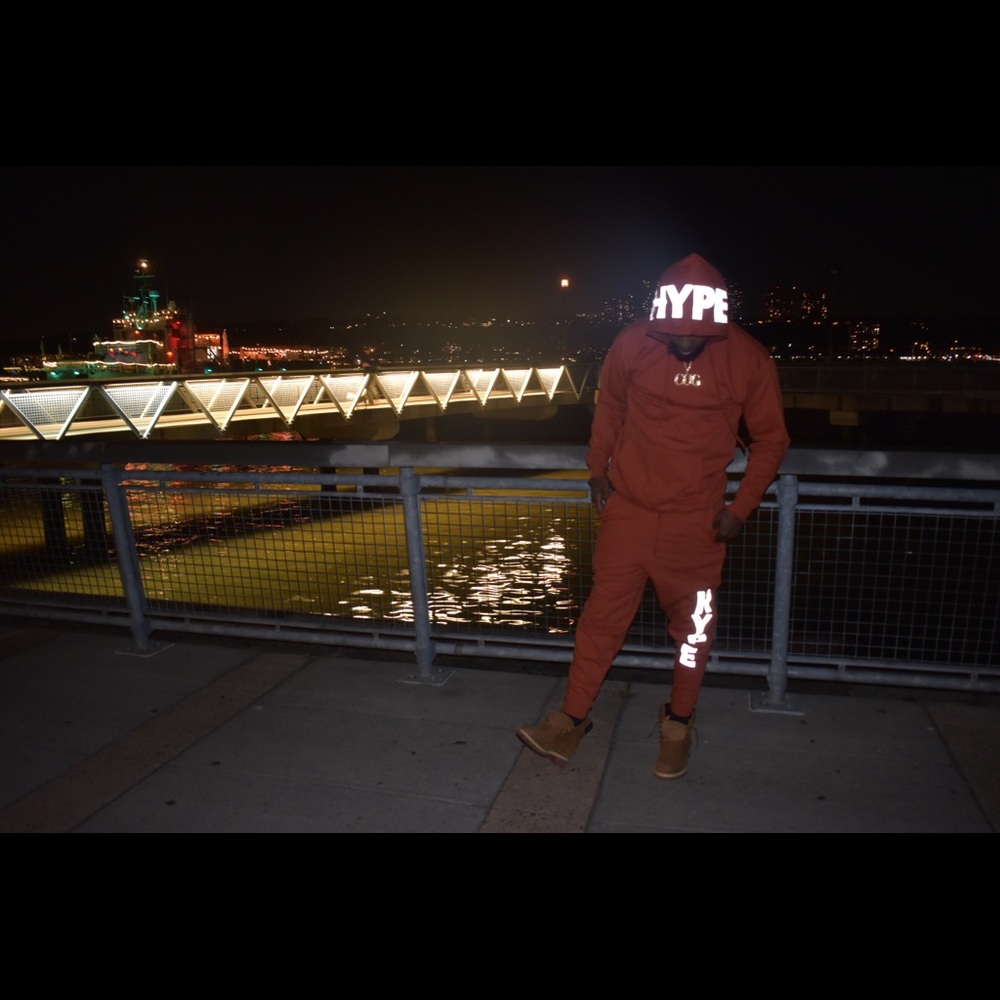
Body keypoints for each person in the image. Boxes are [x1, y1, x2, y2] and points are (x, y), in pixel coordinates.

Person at [517, 253, 790, 779]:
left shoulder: (749, 359)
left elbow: (772, 440)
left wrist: (742, 507)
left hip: (699, 524)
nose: (684, 342)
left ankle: (679, 722)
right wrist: (597, 468)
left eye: (696, 335)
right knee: (600, 620)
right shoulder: (632, 343)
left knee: (695, 631)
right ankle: (571, 718)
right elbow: (610, 407)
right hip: (630, 514)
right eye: (674, 333)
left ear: (717, 319)